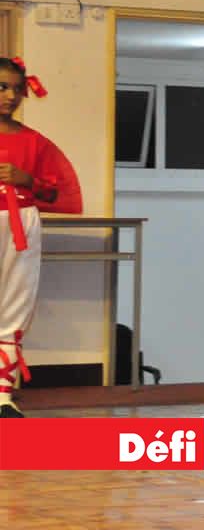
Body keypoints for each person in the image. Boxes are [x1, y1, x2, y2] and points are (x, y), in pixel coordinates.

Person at [0, 57, 83, 418]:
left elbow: (56, 194)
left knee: (13, 306)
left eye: (17, 89)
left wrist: (27, 180)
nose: (10, 96)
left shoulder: (35, 142)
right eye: (2, 87)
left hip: (21, 224)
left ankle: (2, 396)